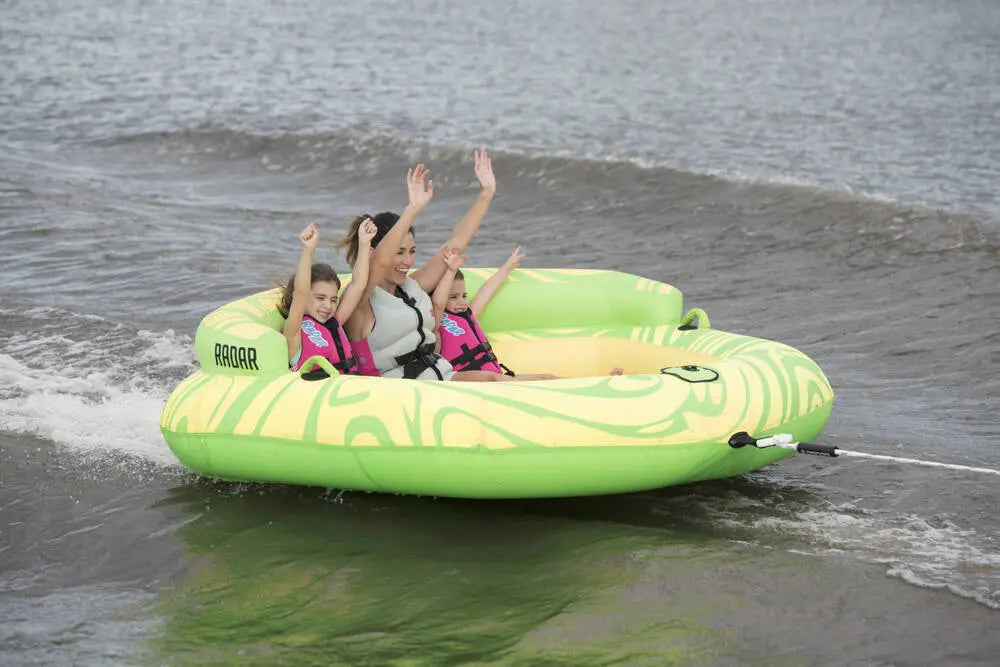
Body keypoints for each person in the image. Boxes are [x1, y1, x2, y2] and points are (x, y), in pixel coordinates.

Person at [334, 152, 509, 381]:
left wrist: (486, 194)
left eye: (412, 251)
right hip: (398, 391)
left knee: (523, 379)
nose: (408, 261)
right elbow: (379, 262)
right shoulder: (360, 300)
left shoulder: (412, 287)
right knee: (496, 381)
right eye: (400, 252)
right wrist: (412, 210)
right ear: (375, 251)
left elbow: (454, 246)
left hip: (440, 377)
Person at [432, 247, 623, 379]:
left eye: (464, 296)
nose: (461, 302)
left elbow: (485, 292)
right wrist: (450, 271)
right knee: (507, 379)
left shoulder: (467, 315)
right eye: (453, 297)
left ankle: (596, 384)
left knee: (545, 378)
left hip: (499, 378)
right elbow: (438, 303)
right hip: (472, 381)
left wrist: (507, 267)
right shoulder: (436, 322)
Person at [278, 219, 376, 374]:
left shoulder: (334, 322)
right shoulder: (293, 332)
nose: (328, 306)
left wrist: (364, 244)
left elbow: (357, 285)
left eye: (333, 300)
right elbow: (300, 293)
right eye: (320, 298)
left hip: (349, 385)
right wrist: (308, 251)